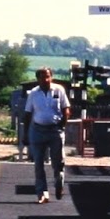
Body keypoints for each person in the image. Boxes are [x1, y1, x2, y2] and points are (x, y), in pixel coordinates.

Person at [23, 67, 70, 203]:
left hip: (55, 130)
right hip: (37, 130)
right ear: (38, 79)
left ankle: (58, 184)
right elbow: (27, 114)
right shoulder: (33, 93)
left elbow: (66, 108)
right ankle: (42, 193)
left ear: (52, 77)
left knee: (58, 162)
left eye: (48, 76)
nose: (46, 80)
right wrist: (26, 134)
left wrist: (63, 122)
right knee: (38, 163)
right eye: (43, 77)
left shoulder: (59, 90)